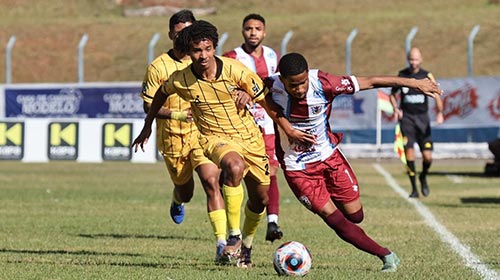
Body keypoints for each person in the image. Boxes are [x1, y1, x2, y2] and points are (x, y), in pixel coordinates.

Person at [262, 52, 443, 272]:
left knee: (355, 216)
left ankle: (338, 209)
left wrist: (414, 84)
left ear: (308, 75)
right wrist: (286, 127)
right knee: (335, 219)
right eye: (293, 85)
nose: (299, 89)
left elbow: (372, 81)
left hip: (329, 158)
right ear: (282, 79)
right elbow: (255, 92)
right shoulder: (270, 84)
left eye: (302, 83)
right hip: (298, 169)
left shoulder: (325, 83)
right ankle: (386, 255)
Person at [133, 20, 270, 268]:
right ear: (177, 39)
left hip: (226, 136)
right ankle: (212, 226)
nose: (202, 54)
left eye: (207, 49)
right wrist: (148, 125)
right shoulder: (165, 70)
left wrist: (250, 95)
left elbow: (261, 91)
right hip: (186, 136)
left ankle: (235, 245)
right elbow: (155, 98)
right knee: (194, 188)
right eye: (196, 49)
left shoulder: (225, 66)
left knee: (236, 191)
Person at [138, 10, 227, 263]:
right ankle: (177, 200)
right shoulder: (158, 67)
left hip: (201, 134)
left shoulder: (201, 60)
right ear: (170, 35)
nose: (184, 38)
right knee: (185, 191)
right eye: (179, 33)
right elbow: (149, 107)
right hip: (173, 138)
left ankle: (222, 243)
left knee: (211, 180)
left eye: (189, 33)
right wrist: (178, 116)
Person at [223, 13, 283, 243]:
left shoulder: (272, 55)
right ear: (242, 31)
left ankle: (272, 222)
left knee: (271, 172)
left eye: (258, 28)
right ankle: (234, 228)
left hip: (267, 123)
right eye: (249, 28)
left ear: (264, 32)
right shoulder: (232, 57)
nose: (253, 32)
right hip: (241, 124)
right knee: (237, 174)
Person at [390, 47, 444, 198]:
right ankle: (414, 188)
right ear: (408, 60)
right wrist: (396, 109)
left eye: (416, 59)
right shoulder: (402, 75)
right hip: (407, 118)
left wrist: (440, 112)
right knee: (409, 153)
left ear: (421, 59)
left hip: (422, 119)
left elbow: (437, 94)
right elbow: (392, 95)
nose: (413, 62)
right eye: (411, 59)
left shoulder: (426, 75)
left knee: (427, 157)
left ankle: (423, 176)